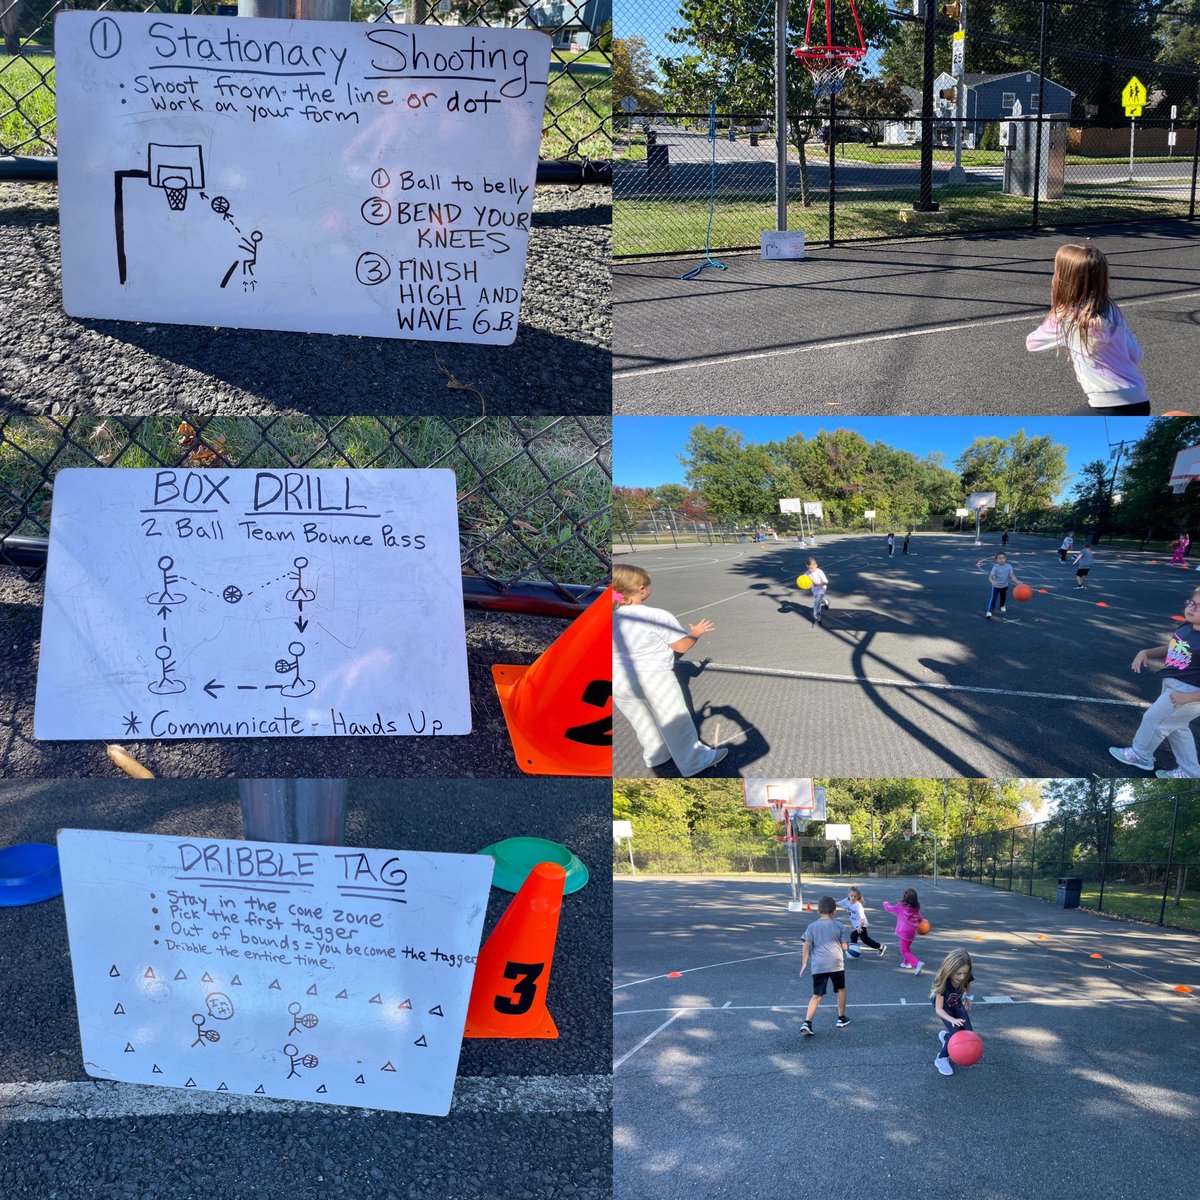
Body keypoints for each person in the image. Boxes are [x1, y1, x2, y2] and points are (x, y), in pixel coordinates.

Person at [612, 564, 729, 777]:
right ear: (641, 589)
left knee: (642, 719)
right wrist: (695, 633)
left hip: (618, 678)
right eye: (648, 585)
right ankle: (694, 761)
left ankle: (656, 755)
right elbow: (681, 646)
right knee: (676, 722)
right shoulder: (656, 615)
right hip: (654, 678)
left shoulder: (609, 615)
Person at [1025, 243, 1150, 416]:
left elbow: (1032, 343)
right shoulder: (1112, 310)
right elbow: (1136, 354)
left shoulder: (1064, 317)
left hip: (1107, 404)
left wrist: (1054, 315)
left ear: (1063, 279)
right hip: (1140, 399)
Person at [1109, 586, 1200, 778]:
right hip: (1173, 684)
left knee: (1154, 720)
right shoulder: (1186, 627)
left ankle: (1141, 755)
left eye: (1199, 606)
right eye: (1191, 603)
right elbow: (1174, 647)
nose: (1192, 608)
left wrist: (1189, 697)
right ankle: (1191, 771)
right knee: (1177, 728)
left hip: (1189, 693)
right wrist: (1146, 653)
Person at [799, 896, 850, 1035]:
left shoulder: (811, 927)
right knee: (840, 989)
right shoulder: (839, 926)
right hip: (836, 964)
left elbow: (806, 945)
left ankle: (807, 1022)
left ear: (818, 911)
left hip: (819, 966)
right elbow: (845, 947)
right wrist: (844, 945)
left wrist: (804, 962)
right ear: (834, 911)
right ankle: (841, 1017)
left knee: (817, 995)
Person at [931, 950, 975, 1077]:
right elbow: (938, 1009)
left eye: (965, 973)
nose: (962, 977)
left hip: (955, 1001)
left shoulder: (965, 976)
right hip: (944, 1006)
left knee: (968, 1031)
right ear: (949, 971)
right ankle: (941, 1058)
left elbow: (968, 983)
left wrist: (968, 997)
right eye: (958, 973)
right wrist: (952, 1020)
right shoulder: (942, 982)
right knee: (956, 1031)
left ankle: (946, 1038)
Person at [882, 888, 925, 974]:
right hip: (912, 932)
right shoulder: (915, 909)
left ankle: (917, 963)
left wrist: (885, 903)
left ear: (905, 897)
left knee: (904, 951)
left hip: (904, 932)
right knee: (907, 947)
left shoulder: (900, 906)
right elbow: (920, 919)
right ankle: (906, 962)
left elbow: (889, 908)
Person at [836, 887, 885, 959]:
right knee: (865, 940)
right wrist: (828, 904)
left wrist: (859, 927)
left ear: (858, 897)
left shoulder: (858, 906)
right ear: (848, 895)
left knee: (853, 936)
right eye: (851, 895)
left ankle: (852, 951)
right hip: (857, 925)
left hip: (862, 924)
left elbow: (863, 919)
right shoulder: (846, 901)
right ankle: (880, 947)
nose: (853, 898)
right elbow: (836, 904)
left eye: (855, 896)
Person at [985, 551, 1023, 619]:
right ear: (996, 560)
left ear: (1005, 558)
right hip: (996, 586)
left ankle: (1002, 605)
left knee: (1003, 596)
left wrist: (1017, 581)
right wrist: (992, 582)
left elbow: (1012, 575)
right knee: (993, 599)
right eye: (1000, 558)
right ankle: (989, 611)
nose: (1002, 560)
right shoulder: (995, 567)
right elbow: (990, 577)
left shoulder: (1009, 566)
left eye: (1003, 558)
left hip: (1005, 585)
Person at [806, 556, 830, 627]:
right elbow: (804, 581)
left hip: (822, 588)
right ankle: (826, 602)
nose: (810, 569)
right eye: (808, 568)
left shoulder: (820, 572)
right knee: (819, 600)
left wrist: (817, 585)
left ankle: (818, 618)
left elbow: (825, 582)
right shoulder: (807, 573)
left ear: (815, 565)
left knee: (816, 603)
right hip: (814, 590)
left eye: (811, 568)